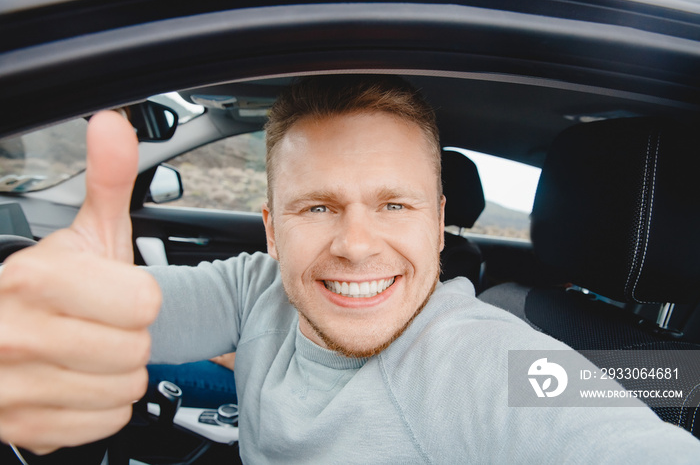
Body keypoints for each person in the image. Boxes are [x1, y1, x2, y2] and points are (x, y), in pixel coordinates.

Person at [1, 75, 699, 463]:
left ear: (436, 222)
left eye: (394, 204)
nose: (358, 245)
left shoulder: (483, 360)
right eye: (316, 207)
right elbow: (102, 314)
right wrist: (36, 323)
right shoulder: (257, 287)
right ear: (272, 229)